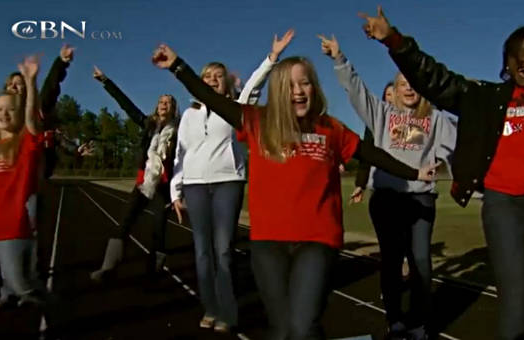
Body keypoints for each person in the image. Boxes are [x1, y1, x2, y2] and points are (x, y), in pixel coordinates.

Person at [152, 42, 439, 340]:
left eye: (305, 83)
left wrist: (414, 172)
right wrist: (177, 65)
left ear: (314, 88)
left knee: (302, 326)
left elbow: (371, 154)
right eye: (290, 85)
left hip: (317, 239)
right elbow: (209, 96)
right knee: (282, 330)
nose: (298, 91)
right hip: (268, 242)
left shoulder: (331, 128)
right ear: (278, 91)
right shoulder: (257, 120)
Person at [359, 6, 524, 340]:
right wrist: (394, 41)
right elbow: (434, 77)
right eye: (515, 55)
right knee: (513, 294)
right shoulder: (484, 97)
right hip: (503, 200)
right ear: (506, 62)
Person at [321, 34, 456, 339]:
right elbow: (357, 92)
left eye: (413, 81)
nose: (408, 86)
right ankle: (395, 319)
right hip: (387, 200)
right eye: (401, 82)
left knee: (421, 262)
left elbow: (458, 145)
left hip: (421, 202)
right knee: (392, 261)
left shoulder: (435, 119)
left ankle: (420, 323)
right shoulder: (383, 116)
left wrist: (452, 163)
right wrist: (340, 59)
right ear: (393, 91)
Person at [170, 29, 295, 333]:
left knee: (223, 250)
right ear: (199, 81)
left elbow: (253, 86)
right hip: (195, 185)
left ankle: (228, 311)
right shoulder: (188, 115)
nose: (212, 79)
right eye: (207, 76)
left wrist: (272, 58)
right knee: (202, 252)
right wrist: (175, 191)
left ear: (226, 83)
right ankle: (210, 308)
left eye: (218, 76)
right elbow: (180, 154)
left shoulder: (237, 107)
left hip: (228, 182)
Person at [89, 66, 179, 282]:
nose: (163, 105)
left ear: (173, 108)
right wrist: (105, 81)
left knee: (158, 230)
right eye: (161, 102)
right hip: (143, 183)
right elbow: (126, 105)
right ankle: (108, 268)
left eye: (167, 102)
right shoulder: (148, 125)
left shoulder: (179, 130)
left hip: (164, 186)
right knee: (124, 222)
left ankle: (154, 272)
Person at [0, 56, 45, 310]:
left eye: (19, 85)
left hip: (24, 192)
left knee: (23, 242)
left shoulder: (27, 117)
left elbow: (33, 121)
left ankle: (23, 285)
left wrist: (31, 81)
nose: (15, 87)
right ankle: (7, 290)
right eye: (12, 84)